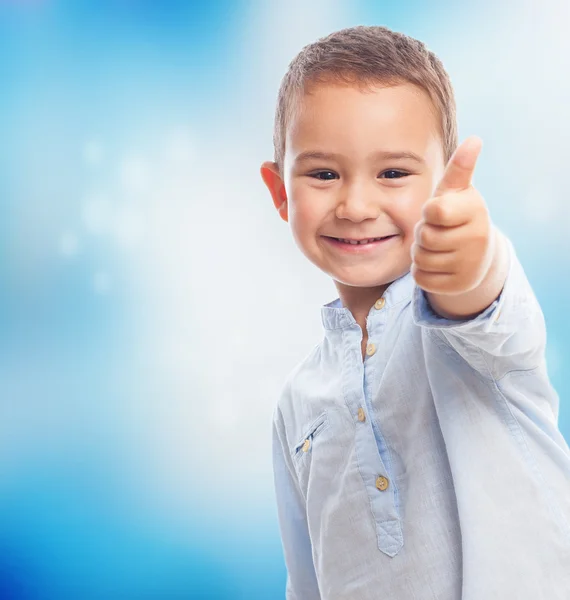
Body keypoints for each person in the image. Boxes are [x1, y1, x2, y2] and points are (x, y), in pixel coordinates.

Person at [259, 25, 570, 600]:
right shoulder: (294, 405)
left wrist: (469, 258)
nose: (356, 205)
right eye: (323, 174)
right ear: (279, 192)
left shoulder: (461, 312)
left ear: (442, 182)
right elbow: (306, 581)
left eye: (394, 173)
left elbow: (478, 300)